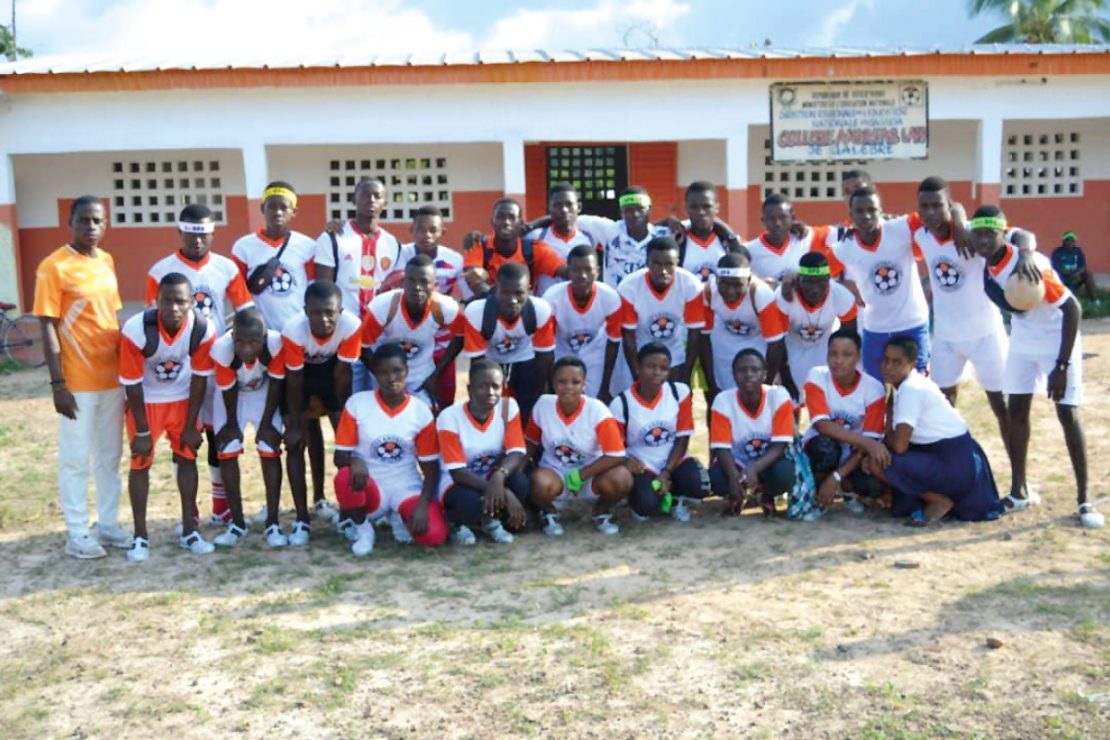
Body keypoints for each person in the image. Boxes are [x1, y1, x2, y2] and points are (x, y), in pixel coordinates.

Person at [972, 207, 1102, 528]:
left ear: (1005, 234)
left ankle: (1084, 499)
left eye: (991, 233)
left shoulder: (1032, 264)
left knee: (1067, 414)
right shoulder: (987, 275)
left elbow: (1072, 309)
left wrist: (1061, 365)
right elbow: (1018, 310)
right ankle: (1019, 492)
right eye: (979, 234)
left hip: (1058, 340)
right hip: (1023, 343)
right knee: (1016, 412)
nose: (984, 240)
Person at [146, 204, 254, 526]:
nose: (197, 241)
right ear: (179, 233)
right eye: (191, 235)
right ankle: (188, 509)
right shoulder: (160, 271)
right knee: (186, 439)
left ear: (212, 234)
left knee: (216, 433)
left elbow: (245, 309)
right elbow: (155, 321)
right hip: (180, 369)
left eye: (203, 235)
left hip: (218, 363)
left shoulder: (226, 268)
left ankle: (220, 504)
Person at [34, 195, 129, 559]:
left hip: (112, 378)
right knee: (76, 459)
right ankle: (77, 532)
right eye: (84, 220)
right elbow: (47, 325)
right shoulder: (53, 267)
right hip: (76, 381)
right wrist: (58, 384)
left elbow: (110, 318)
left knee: (109, 457)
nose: (91, 227)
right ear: (70, 222)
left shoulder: (107, 261)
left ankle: (107, 523)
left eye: (98, 221)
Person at [119, 273, 217, 561]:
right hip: (146, 401)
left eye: (180, 301)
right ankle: (140, 536)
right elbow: (132, 382)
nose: (173, 307)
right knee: (140, 463)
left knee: (187, 458)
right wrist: (142, 430)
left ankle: (189, 531)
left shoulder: (202, 328)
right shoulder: (137, 330)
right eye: (167, 300)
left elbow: (200, 378)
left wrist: (191, 425)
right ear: (156, 300)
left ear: (191, 304)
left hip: (184, 399)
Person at [912, 177, 1012, 448]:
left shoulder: (973, 232)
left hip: (986, 336)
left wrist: (959, 222)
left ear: (950, 205)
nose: (931, 212)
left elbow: (1017, 236)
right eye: (925, 207)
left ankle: (1020, 484)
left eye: (938, 205)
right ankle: (953, 470)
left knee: (1003, 408)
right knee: (943, 409)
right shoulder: (920, 235)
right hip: (946, 337)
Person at [865, 337, 1003, 525]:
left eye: (897, 362)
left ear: (912, 364)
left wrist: (876, 441)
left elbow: (899, 446)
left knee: (876, 461)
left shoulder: (911, 389)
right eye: (886, 360)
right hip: (959, 458)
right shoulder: (910, 384)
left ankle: (937, 500)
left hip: (953, 464)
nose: (888, 367)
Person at [333, 343, 447, 555]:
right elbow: (340, 456)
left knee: (434, 535)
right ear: (375, 374)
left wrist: (423, 504)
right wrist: (354, 461)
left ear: (407, 371)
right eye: (384, 372)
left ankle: (399, 514)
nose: (391, 378)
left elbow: (430, 467)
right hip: (372, 486)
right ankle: (364, 528)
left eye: (397, 371)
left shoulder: (420, 411)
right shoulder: (357, 404)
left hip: (406, 485)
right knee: (344, 477)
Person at [281, 280, 362, 545]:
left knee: (348, 446)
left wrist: (345, 422)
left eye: (330, 312)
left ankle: (349, 514)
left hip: (331, 374)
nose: (324, 319)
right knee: (297, 443)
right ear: (305, 311)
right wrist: (294, 421)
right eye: (316, 312)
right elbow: (293, 380)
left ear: (340, 311)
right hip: (300, 379)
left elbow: (343, 374)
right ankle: (302, 518)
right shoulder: (293, 331)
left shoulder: (351, 326)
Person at [827, 186, 930, 381]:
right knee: (874, 389)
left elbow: (941, 211)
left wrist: (958, 223)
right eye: (859, 211)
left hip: (912, 323)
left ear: (880, 211)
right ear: (851, 215)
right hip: (875, 329)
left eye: (871, 210)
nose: (866, 216)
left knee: (917, 387)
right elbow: (818, 272)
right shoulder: (844, 248)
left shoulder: (901, 228)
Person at [315, 176, 403, 393]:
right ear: (355, 199)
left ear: (385, 203)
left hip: (380, 334)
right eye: (365, 194)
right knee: (350, 396)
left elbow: (395, 287)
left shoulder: (393, 244)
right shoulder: (334, 237)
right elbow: (324, 288)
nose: (371, 200)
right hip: (346, 332)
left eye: (377, 196)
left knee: (381, 393)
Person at [525, 357, 631, 536]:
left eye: (575, 382)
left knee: (622, 478)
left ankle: (601, 511)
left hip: (591, 475)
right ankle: (550, 513)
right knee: (538, 481)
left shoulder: (597, 410)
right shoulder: (543, 405)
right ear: (553, 383)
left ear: (584, 385)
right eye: (562, 381)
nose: (568, 387)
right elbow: (531, 442)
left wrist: (581, 476)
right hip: (555, 472)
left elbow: (616, 454)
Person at [208, 308, 286, 547]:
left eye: (253, 342)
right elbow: (227, 388)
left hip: (263, 393)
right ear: (232, 337)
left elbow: (277, 384)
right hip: (233, 397)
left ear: (264, 338)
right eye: (240, 341)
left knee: (269, 446)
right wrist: (232, 424)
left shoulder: (276, 344)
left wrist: (266, 424)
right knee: (228, 447)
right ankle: (237, 522)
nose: (246, 348)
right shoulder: (222, 350)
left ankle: (273, 521)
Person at [609, 342, 708, 522]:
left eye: (663, 368)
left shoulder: (680, 392)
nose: (657, 373)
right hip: (642, 464)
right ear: (638, 368)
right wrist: (626, 461)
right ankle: (641, 496)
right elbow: (614, 447)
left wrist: (667, 472)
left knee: (700, 486)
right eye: (650, 366)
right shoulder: (621, 403)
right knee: (646, 505)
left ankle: (677, 498)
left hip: (673, 459)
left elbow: (682, 437)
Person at [436, 360, 529, 545]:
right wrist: (503, 492)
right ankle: (457, 523)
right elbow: (458, 472)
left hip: (491, 476)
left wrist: (498, 476)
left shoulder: (508, 407)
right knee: (469, 502)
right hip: (457, 481)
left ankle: (490, 521)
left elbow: (516, 453)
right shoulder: (449, 417)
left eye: (495, 386)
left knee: (520, 482)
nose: (490, 392)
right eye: (482, 386)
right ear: (470, 389)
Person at [361, 255, 464, 408]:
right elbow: (363, 346)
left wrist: (437, 374)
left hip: (421, 374)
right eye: (411, 280)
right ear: (403, 282)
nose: (417, 287)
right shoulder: (383, 307)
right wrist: (382, 375)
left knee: (426, 420)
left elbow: (461, 336)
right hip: (386, 372)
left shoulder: (445, 308)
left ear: (435, 284)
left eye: (424, 281)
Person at [802, 329, 887, 513]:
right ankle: (816, 495)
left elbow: (870, 442)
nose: (838, 360)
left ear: (858, 356)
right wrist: (866, 443)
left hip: (854, 453)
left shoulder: (873, 388)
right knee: (825, 448)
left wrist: (837, 476)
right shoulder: (816, 376)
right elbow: (821, 425)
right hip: (821, 445)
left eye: (847, 355)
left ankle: (845, 487)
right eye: (833, 354)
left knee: (873, 484)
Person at [461, 262, 556, 424]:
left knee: (527, 407)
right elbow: (477, 364)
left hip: (526, 360)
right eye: (506, 293)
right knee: (491, 405)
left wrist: (537, 399)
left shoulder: (540, 310)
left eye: (519, 293)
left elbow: (545, 359)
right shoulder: (477, 313)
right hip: (490, 361)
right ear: (496, 288)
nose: (513, 300)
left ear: (529, 289)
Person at [709, 349, 795, 518]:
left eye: (754, 370)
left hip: (768, 463)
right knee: (715, 478)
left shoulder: (779, 396)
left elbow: (780, 446)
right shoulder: (722, 400)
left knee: (785, 473)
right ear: (733, 374)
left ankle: (765, 493)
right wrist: (734, 477)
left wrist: (754, 469)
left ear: (764, 375)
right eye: (742, 370)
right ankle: (736, 494)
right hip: (738, 463)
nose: (748, 375)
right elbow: (721, 448)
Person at [398, 205, 466, 407]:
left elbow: (469, 295)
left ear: (442, 232)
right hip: (409, 340)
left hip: (442, 343)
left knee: (444, 401)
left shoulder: (454, 260)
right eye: (420, 229)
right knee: (409, 401)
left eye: (432, 230)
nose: (426, 235)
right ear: (411, 230)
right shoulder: (400, 255)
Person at [618, 236, 705, 385]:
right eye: (656, 264)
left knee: (676, 397)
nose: (663, 271)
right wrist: (636, 373)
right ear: (647, 263)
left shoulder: (692, 286)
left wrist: (687, 373)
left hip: (674, 350)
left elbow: (694, 334)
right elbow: (628, 336)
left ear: (677, 263)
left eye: (669, 264)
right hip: (639, 349)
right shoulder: (628, 288)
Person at [701, 251, 787, 400]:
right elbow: (704, 340)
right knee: (724, 398)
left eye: (737, 285)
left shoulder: (760, 294)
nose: (730, 291)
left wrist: (765, 386)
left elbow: (775, 344)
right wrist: (711, 382)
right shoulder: (709, 292)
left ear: (748, 280)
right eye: (724, 284)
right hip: (724, 345)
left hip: (756, 343)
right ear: (716, 280)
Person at [774, 251, 857, 403]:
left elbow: (849, 339)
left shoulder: (842, 296)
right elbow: (777, 341)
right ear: (798, 280)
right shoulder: (783, 298)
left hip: (824, 347)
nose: (814, 288)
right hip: (790, 348)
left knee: (827, 398)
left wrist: (841, 367)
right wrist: (786, 379)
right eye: (809, 282)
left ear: (828, 279)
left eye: (820, 282)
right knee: (789, 399)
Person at [543, 245, 623, 402]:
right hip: (562, 351)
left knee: (593, 401)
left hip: (595, 353)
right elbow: (546, 347)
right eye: (576, 270)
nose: (583, 275)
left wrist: (605, 384)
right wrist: (548, 384)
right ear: (568, 272)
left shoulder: (610, 298)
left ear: (597, 271)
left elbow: (614, 343)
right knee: (564, 399)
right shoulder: (552, 298)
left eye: (588, 269)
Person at [462, 198, 566, 298]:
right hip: (488, 305)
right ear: (492, 221)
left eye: (511, 217)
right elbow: (474, 281)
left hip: (523, 307)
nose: (506, 222)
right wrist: (501, 300)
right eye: (500, 216)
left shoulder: (535, 249)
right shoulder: (478, 245)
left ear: (520, 223)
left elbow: (566, 272)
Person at [524, 182, 603, 294]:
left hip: (579, 307)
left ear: (579, 207)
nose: (564, 210)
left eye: (569, 204)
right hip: (548, 306)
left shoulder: (591, 237)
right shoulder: (535, 237)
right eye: (557, 205)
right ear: (549, 208)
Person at [743, 193, 831, 286]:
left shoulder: (805, 237)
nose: (777, 223)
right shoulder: (749, 250)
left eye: (783, 217)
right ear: (763, 220)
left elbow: (841, 233)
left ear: (792, 218)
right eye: (771, 218)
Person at [681, 180, 744, 282]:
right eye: (694, 207)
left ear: (717, 207)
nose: (701, 212)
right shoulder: (677, 241)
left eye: (706, 206)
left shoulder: (729, 241)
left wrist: (727, 231)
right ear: (686, 208)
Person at [1051, 231, 1099, 303]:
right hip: (1062, 279)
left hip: (1076, 277)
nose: (1070, 243)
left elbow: (1083, 266)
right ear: (1063, 242)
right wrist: (1070, 274)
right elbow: (1055, 268)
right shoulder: (1057, 252)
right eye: (1068, 240)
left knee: (1088, 273)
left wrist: (1077, 273)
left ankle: (1094, 300)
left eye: (1072, 241)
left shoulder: (1078, 251)